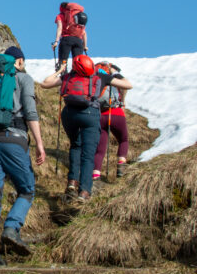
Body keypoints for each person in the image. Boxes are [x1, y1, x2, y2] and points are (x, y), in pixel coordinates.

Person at [0, 46, 47, 267]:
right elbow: (30, 112)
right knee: (27, 190)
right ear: (19, 61)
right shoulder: (24, 79)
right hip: (15, 140)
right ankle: (11, 228)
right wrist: (39, 144)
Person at [41, 55, 132, 200]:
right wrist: (114, 73)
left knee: (75, 146)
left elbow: (45, 84)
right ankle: (84, 191)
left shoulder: (68, 77)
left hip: (69, 114)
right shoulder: (101, 77)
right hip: (89, 114)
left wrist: (60, 71)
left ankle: (72, 182)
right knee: (88, 154)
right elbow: (128, 85)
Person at [92, 62, 132, 182]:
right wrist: (115, 73)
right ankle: (121, 164)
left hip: (100, 116)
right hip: (116, 113)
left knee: (100, 149)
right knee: (123, 139)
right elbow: (126, 86)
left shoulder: (95, 80)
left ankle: (96, 175)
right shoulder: (112, 79)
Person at [52, 2, 86, 70]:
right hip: (78, 41)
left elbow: (59, 28)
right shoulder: (77, 16)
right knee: (77, 62)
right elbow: (84, 33)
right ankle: (76, 75)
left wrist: (56, 41)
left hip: (66, 39)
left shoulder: (61, 15)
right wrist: (85, 46)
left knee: (63, 61)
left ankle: (63, 74)